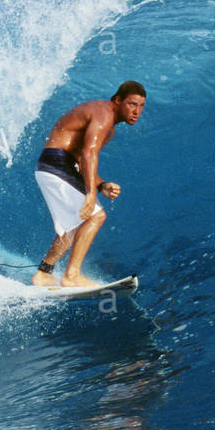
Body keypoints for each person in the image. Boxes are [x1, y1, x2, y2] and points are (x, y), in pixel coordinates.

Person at [32, 81, 146, 288]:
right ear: (118, 100)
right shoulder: (103, 114)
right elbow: (88, 153)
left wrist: (101, 185)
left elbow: (84, 163)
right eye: (132, 104)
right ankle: (71, 276)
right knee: (96, 215)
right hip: (56, 163)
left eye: (141, 106)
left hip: (58, 165)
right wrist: (91, 194)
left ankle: (44, 272)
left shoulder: (108, 128)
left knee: (79, 220)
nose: (137, 111)